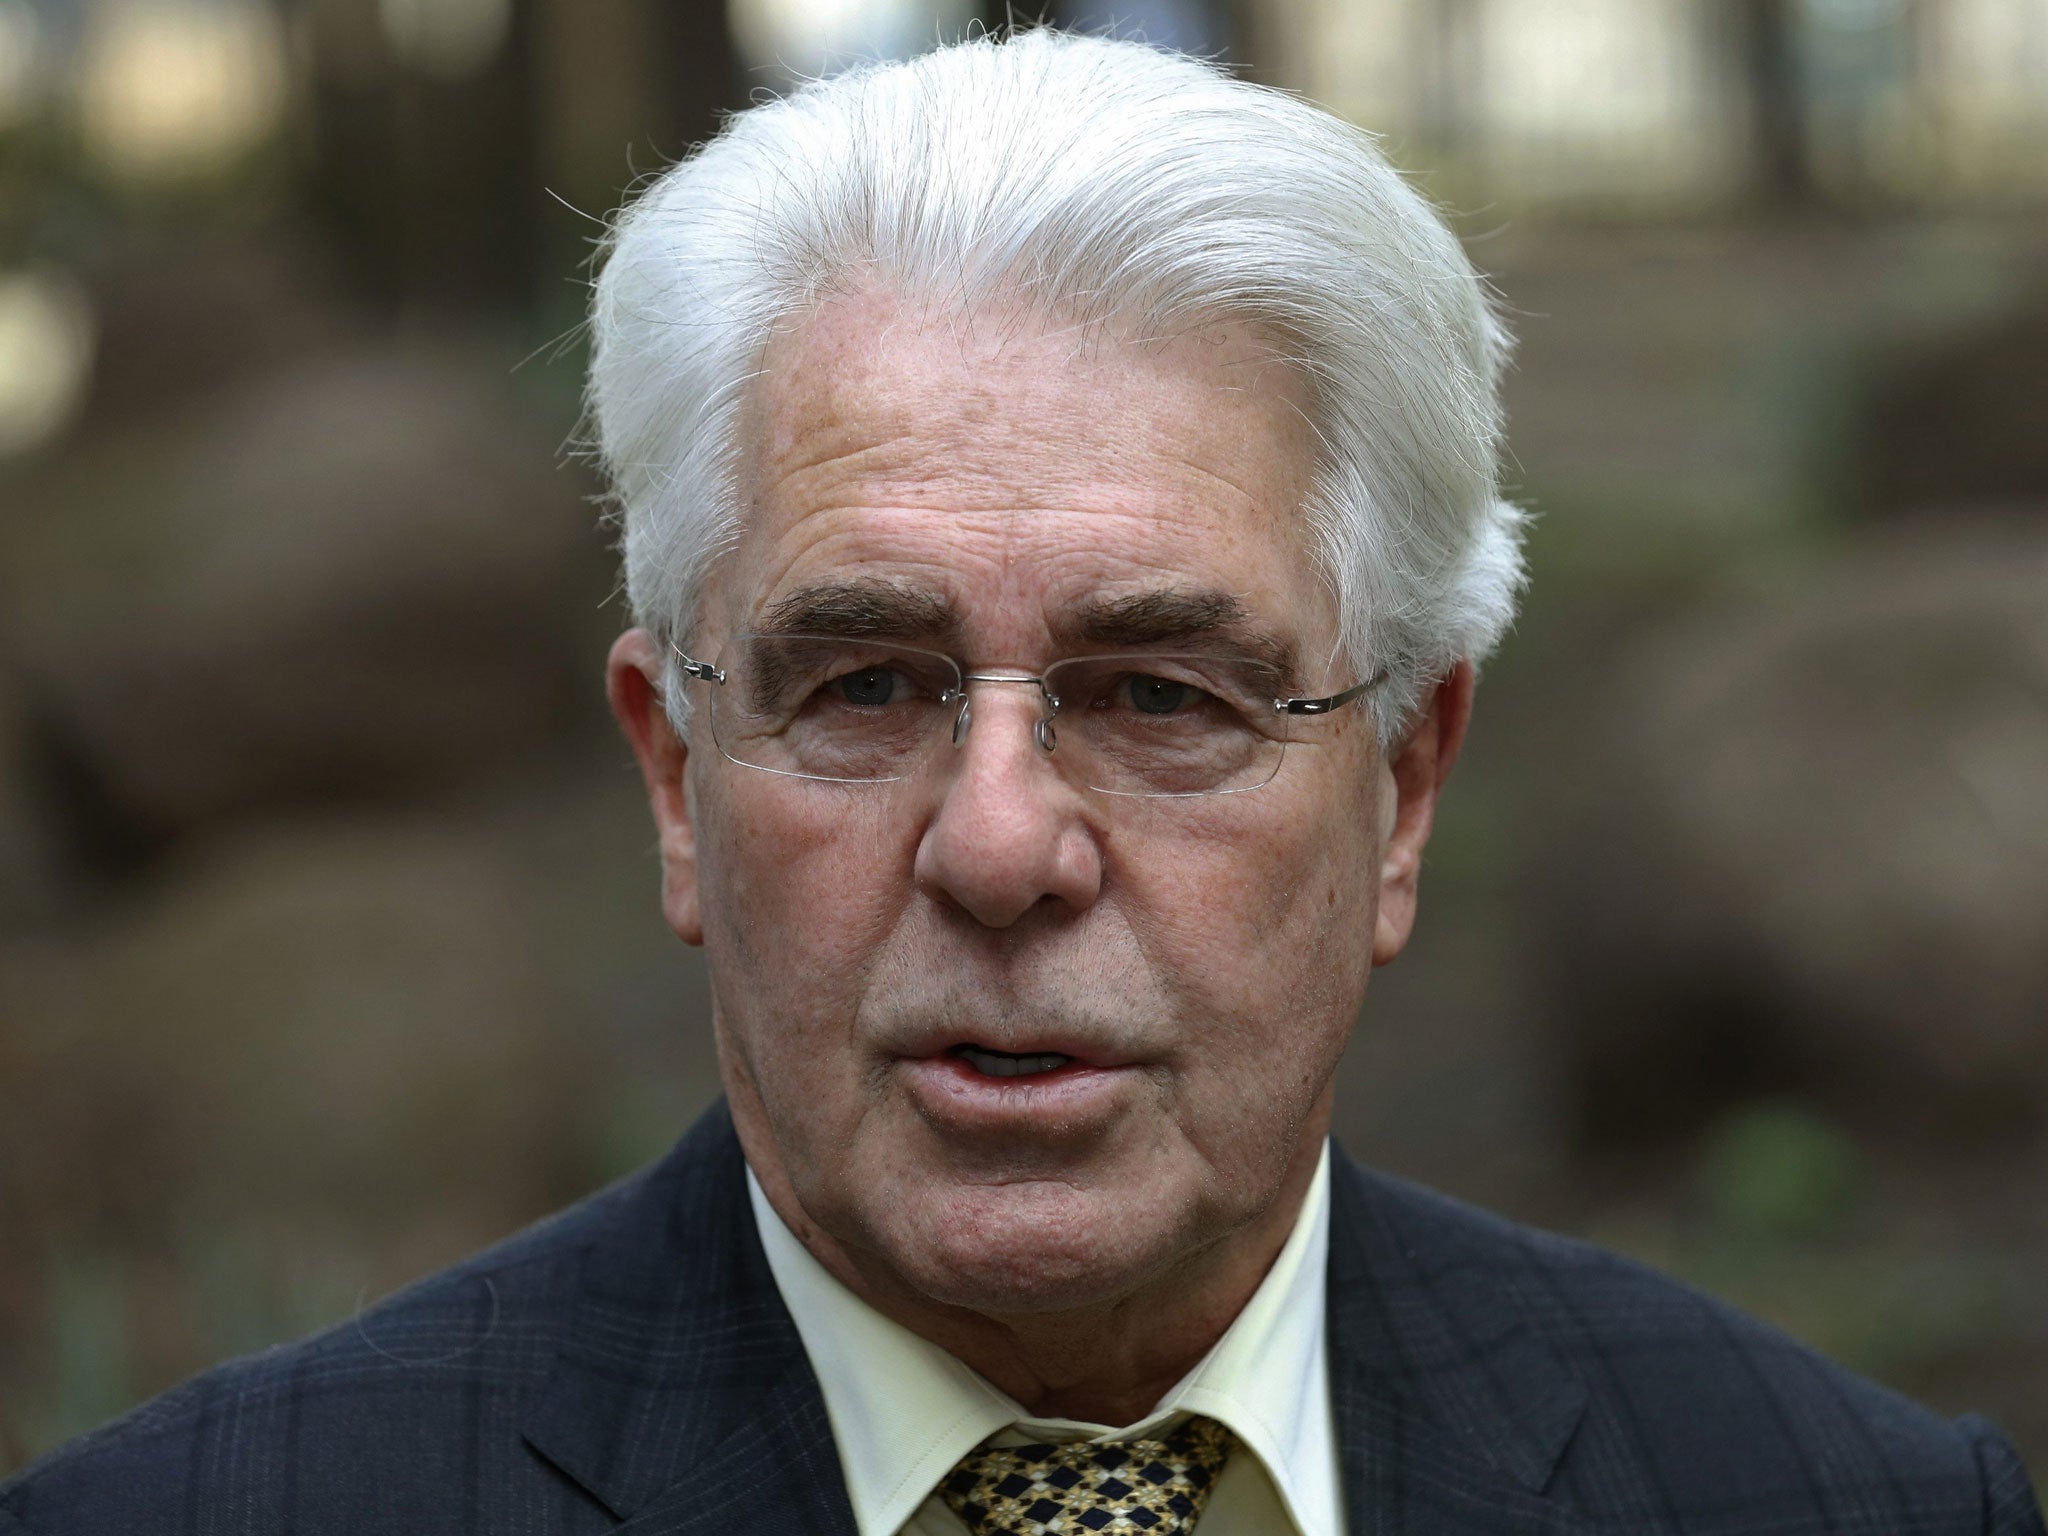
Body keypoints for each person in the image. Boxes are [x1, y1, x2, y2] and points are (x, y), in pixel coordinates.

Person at [2, 29, 2039, 1536]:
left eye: (1162, 697)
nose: (996, 844)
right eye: (865, 685)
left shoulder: (1841, 1504)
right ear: (672, 777)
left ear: (1405, 789)